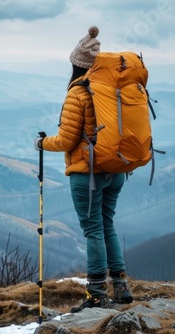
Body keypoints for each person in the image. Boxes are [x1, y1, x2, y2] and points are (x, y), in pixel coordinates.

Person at [33, 26, 133, 312]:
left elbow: (66, 139)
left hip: (86, 174)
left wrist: (41, 144)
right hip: (115, 169)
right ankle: (121, 285)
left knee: (93, 231)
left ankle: (97, 294)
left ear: (77, 65)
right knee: (107, 224)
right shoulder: (112, 89)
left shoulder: (77, 94)